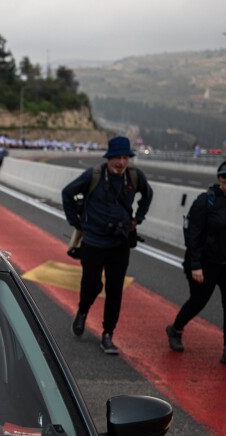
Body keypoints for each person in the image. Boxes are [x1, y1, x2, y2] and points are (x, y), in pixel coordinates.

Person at [166, 159, 226, 368]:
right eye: (225, 176)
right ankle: (175, 329)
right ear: (219, 177)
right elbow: (192, 234)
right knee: (198, 301)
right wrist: (195, 265)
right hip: (206, 262)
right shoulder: (206, 200)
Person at [62, 136, 153, 354]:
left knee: (115, 291)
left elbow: (148, 196)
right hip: (93, 242)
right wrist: (76, 222)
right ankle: (83, 312)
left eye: (125, 158)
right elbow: (67, 193)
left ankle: (108, 334)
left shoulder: (134, 176)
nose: (121, 162)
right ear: (109, 158)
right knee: (92, 285)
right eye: (116, 158)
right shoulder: (93, 175)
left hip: (119, 244)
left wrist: (137, 219)